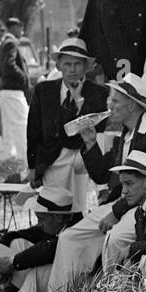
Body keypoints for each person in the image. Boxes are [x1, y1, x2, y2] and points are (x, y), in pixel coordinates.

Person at [46, 74, 146, 292]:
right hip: (123, 201)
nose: (109, 105)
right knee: (69, 238)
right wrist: (89, 141)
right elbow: (101, 175)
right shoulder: (125, 135)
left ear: (132, 105)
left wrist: (116, 212)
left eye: (115, 101)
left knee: (114, 239)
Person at [26, 39, 109, 211]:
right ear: (58, 65)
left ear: (86, 67)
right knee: (53, 209)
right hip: (51, 159)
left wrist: (78, 101)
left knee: (78, 208)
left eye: (78, 64)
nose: (72, 69)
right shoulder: (44, 91)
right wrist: (32, 166)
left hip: (82, 158)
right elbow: (33, 130)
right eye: (67, 64)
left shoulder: (97, 93)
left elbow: (90, 132)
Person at [0, 186, 81, 292]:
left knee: (35, 269)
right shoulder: (60, 221)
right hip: (57, 276)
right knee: (16, 242)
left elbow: (47, 250)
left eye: (41, 219)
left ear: (58, 217)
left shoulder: (75, 230)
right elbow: (27, 234)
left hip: (71, 283)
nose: (39, 223)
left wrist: (13, 262)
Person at [0, 19, 31, 167]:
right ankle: (26, 161)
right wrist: (23, 78)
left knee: (9, 127)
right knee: (22, 125)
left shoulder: (2, 44)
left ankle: (9, 159)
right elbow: (9, 65)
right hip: (14, 90)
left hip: (5, 91)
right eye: (21, 28)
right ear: (15, 27)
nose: (22, 31)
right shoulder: (11, 43)